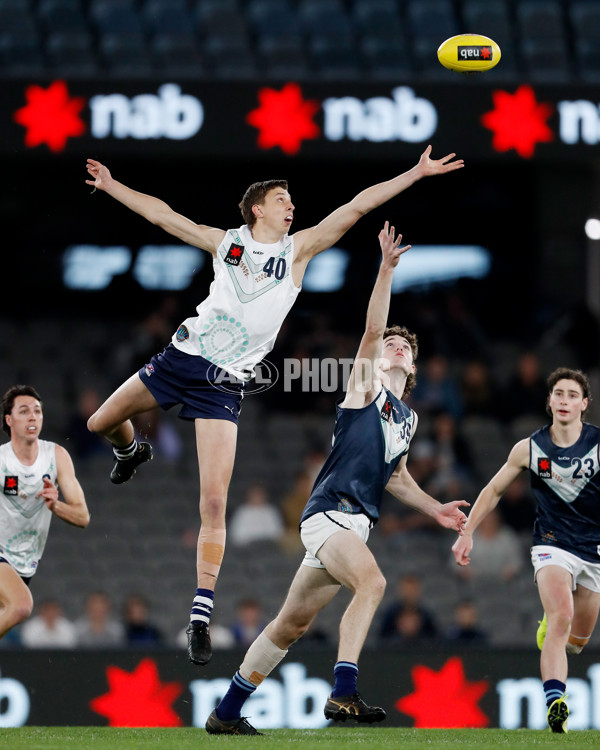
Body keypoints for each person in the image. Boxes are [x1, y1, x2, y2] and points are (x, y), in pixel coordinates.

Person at [84, 146, 464, 668]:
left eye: (292, 200)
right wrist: (110, 186)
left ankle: (199, 615)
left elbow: (355, 207)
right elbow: (162, 214)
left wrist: (416, 174)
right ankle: (129, 453)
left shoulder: (299, 251)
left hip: (222, 383)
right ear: (256, 208)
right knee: (100, 422)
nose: (292, 207)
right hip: (180, 357)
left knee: (213, 504)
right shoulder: (225, 243)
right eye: (282, 200)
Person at [204, 223, 468, 734]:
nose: (393, 345)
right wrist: (386, 270)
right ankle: (343, 693)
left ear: (412, 367)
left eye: (402, 346)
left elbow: (396, 479)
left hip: (352, 527)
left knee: (290, 625)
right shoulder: (364, 387)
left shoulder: (407, 419)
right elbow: (371, 332)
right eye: (390, 341)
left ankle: (226, 713)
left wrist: (434, 508)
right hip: (329, 517)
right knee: (373, 583)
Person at [452, 367, 600, 734]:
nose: (564, 401)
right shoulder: (529, 448)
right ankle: (555, 704)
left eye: (571, 395)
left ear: (584, 404)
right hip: (552, 543)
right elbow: (494, 490)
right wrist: (467, 532)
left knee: (577, 643)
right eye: (558, 394)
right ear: (549, 401)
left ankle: (551, 625)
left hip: (593, 547)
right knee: (562, 613)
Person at [0, 385, 90, 643]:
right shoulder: (2, 461)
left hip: (23, 566)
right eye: (24, 411)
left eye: (37, 411)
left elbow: (83, 517)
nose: (32, 417)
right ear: (9, 419)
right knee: (20, 606)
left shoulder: (56, 456)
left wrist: (55, 506)